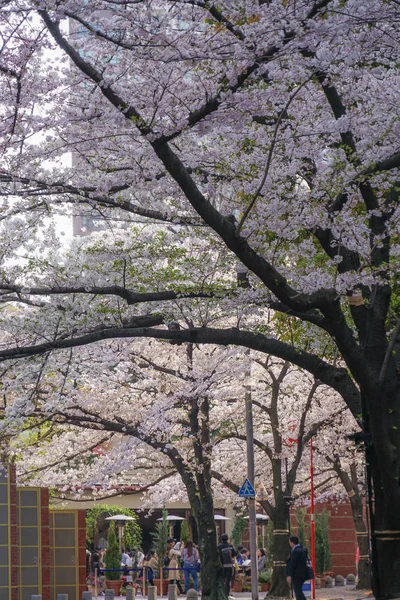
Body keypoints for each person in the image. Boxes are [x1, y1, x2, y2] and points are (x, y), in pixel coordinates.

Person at [286, 535, 307, 600]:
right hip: (302, 573)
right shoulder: (302, 549)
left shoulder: (295, 551)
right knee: (298, 591)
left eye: (289, 542)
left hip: (297, 574)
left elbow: (293, 564)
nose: (289, 543)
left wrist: (289, 575)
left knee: (298, 591)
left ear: (292, 542)